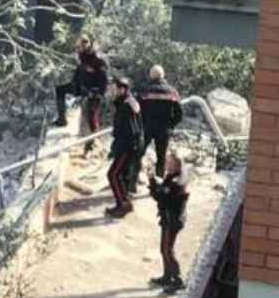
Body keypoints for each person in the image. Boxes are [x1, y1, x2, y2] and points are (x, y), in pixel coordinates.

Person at [53, 36, 109, 153]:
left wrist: (98, 93)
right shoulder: (82, 56)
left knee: (91, 116)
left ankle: (92, 142)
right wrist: (74, 84)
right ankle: (62, 119)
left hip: (94, 91)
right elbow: (80, 72)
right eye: (80, 45)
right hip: (81, 87)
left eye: (84, 44)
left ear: (89, 44)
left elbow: (104, 80)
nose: (81, 47)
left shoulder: (97, 59)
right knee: (60, 90)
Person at [148, 153, 190, 295]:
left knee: (168, 250)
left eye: (169, 162)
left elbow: (161, 198)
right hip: (169, 219)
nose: (166, 164)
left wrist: (152, 181)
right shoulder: (172, 177)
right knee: (164, 249)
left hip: (172, 220)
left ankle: (178, 280)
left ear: (175, 165)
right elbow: (161, 194)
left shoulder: (176, 182)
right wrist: (155, 184)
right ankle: (167, 277)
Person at [106, 76, 144, 218]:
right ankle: (123, 203)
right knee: (119, 175)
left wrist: (117, 148)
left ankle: (123, 205)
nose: (112, 91)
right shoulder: (127, 101)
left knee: (113, 175)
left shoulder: (126, 106)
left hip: (128, 147)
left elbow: (130, 131)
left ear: (122, 89)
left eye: (114, 89)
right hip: (129, 145)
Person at [138, 65, 184, 181]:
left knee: (138, 153)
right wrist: (171, 125)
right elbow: (179, 113)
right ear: (163, 75)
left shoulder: (145, 91)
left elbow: (137, 111)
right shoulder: (172, 92)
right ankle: (159, 180)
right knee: (161, 157)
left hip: (147, 127)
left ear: (151, 76)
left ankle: (133, 181)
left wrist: (141, 124)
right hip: (164, 129)